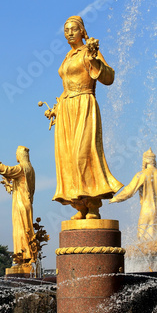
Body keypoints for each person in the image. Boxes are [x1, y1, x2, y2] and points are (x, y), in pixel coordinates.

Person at [45, 15, 122, 220]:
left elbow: (109, 77)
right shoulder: (68, 56)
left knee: (83, 154)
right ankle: (80, 205)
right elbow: (66, 86)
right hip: (66, 109)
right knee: (68, 158)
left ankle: (94, 203)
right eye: (66, 30)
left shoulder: (89, 51)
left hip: (84, 104)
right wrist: (56, 108)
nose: (69, 33)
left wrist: (95, 59)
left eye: (73, 29)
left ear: (82, 31)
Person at [0, 146, 36, 263]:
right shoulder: (30, 169)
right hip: (26, 204)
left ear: (20, 155)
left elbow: (7, 170)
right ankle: (25, 256)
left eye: (16, 154)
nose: (16, 156)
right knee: (25, 229)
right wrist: (8, 184)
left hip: (21, 205)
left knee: (21, 230)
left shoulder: (22, 168)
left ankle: (24, 256)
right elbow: (20, 185)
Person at [110, 148, 157, 241]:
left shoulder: (142, 174)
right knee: (152, 239)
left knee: (142, 239)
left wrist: (115, 198)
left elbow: (129, 191)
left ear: (146, 160)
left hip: (147, 210)